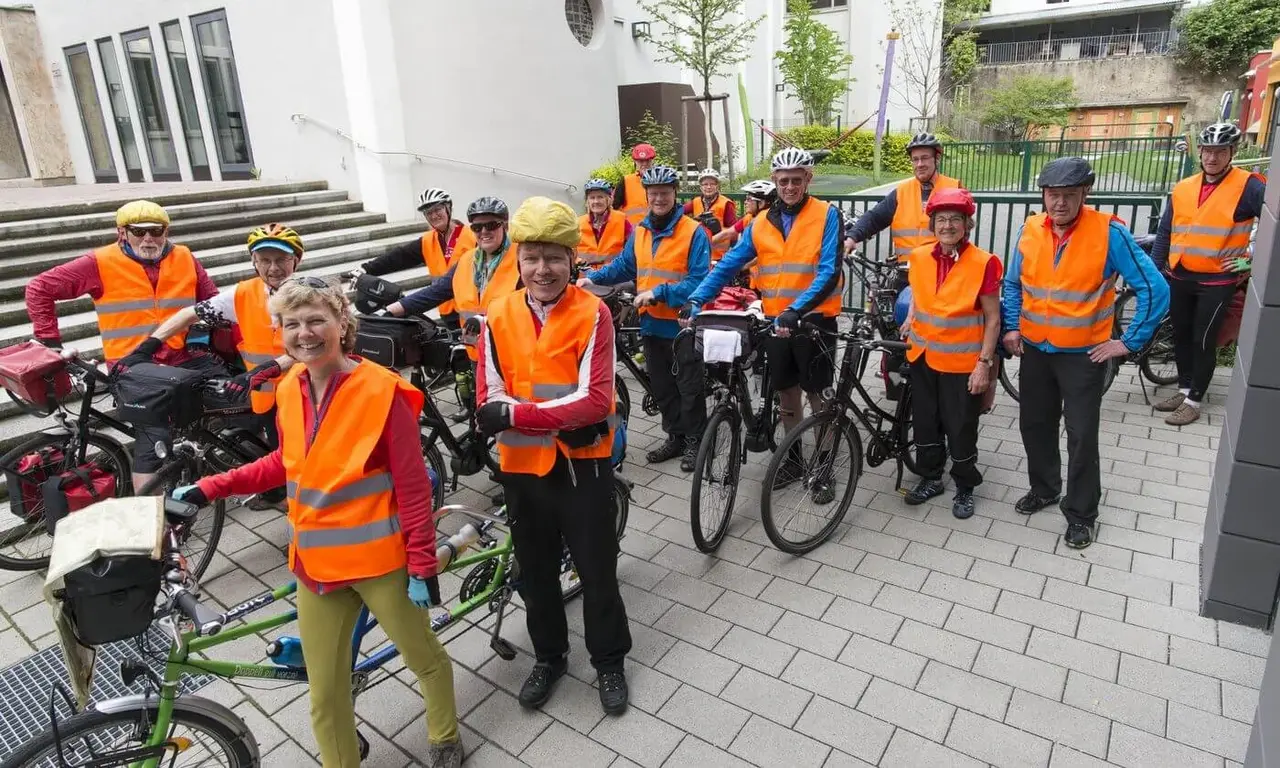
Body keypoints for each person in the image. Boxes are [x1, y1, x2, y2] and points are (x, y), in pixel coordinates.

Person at [172, 276, 463, 768]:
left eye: (316, 320)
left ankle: (444, 735)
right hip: (316, 564)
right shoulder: (289, 388)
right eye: (292, 324)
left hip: (381, 564)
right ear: (279, 332)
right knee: (325, 696)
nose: (304, 333)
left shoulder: (383, 392)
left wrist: (421, 566)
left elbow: (413, 487)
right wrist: (210, 487)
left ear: (341, 324)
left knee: (424, 659)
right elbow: (286, 461)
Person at [473, 196, 632, 715]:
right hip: (522, 469)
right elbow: (486, 396)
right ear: (518, 260)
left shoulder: (594, 314)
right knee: (535, 574)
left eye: (555, 257)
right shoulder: (497, 314)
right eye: (533, 257)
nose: (543, 269)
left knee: (597, 570)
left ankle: (608, 662)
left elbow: (594, 399)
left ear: (572, 261)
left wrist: (518, 415)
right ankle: (550, 657)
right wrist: (534, 414)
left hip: (583, 466)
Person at [1001, 157, 1169, 549]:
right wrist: (1011, 327)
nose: (1059, 204)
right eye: (1052, 195)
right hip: (1037, 353)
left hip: (1083, 356)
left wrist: (1127, 343)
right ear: (1043, 194)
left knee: (1080, 435)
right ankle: (1044, 488)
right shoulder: (1029, 229)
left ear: (1084, 194)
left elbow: (1155, 290)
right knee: (1035, 426)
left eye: (1069, 196)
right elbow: (1013, 284)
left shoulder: (1108, 233)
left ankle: (1080, 513)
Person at [24, 199, 225, 492]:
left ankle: (220, 468)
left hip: (180, 358)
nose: (148, 238)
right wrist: (50, 342)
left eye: (156, 231)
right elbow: (39, 288)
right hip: (133, 367)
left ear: (166, 231)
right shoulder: (100, 262)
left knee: (236, 394)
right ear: (122, 232)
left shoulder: (184, 257)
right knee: (152, 438)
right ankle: (154, 518)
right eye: (138, 231)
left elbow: (212, 302)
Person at [684, 148, 845, 503]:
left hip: (815, 320)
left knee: (817, 393)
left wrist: (798, 310)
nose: (789, 186)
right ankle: (793, 457)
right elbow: (728, 265)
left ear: (808, 180)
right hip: (776, 320)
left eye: (796, 180)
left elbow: (829, 271)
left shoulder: (827, 215)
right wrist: (698, 299)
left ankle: (823, 464)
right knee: (786, 391)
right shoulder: (760, 224)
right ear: (775, 182)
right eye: (783, 180)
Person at [580, 166, 711, 471]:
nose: (658, 198)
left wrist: (659, 293)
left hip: (681, 324)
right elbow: (625, 266)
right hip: (651, 324)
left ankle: (696, 441)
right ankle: (675, 436)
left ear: (674, 194)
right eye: (653, 193)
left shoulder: (693, 232)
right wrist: (594, 279)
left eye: (664, 192)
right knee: (663, 386)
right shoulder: (641, 230)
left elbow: (699, 281)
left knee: (689, 388)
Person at [1149, 122, 1264, 426]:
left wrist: (1251, 261)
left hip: (1217, 279)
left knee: (1203, 339)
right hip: (1181, 275)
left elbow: (1273, 222)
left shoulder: (1248, 185)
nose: (1212, 157)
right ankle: (1185, 389)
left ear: (1232, 152)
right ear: (1200, 151)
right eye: (1208, 150)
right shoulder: (1185, 187)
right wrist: (1158, 266)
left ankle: (1194, 400)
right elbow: (1166, 229)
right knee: (1182, 336)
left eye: (1220, 151)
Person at [900, 188, 1002, 519]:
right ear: (932, 223)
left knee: (960, 426)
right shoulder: (918, 257)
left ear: (967, 224)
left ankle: (964, 485)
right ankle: (931, 478)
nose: (947, 226)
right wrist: (909, 317)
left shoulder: (983, 263)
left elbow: (993, 318)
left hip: (962, 362)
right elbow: (919, 292)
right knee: (926, 423)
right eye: (941, 219)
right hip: (923, 355)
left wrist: (984, 365)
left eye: (955, 219)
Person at [385, 197, 520, 362]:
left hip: (511, 355)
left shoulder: (521, 259)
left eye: (491, 225)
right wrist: (390, 311)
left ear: (504, 226)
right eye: (477, 227)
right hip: (477, 354)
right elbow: (436, 292)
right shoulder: (467, 261)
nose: (484, 232)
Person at [356, 187, 476, 327]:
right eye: (428, 212)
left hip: (471, 311)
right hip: (447, 312)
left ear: (448, 208)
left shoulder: (472, 237)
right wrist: (366, 269)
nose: (434, 216)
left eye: (438, 210)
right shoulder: (428, 241)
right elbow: (399, 256)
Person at [845, 133, 961, 273]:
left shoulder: (954, 189)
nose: (919, 164)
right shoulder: (901, 192)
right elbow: (875, 218)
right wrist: (852, 237)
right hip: (905, 273)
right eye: (915, 159)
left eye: (924, 158)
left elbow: (963, 231)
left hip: (943, 271)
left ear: (936, 159)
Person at [713, 180, 777, 289]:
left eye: (749, 199)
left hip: (771, 279)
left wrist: (743, 266)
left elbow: (762, 252)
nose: (745, 202)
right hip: (756, 277)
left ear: (761, 203)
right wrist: (705, 242)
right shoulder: (750, 217)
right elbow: (729, 233)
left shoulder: (769, 221)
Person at [683, 169, 737, 263]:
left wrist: (718, 229)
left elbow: (734, 230)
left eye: (712, 184)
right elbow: (679, 212)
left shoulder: (726, 203)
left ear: (717, 186)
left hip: (719, 256)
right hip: (699, 253)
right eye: (705, 184)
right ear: (700, 187)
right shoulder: (695, 202)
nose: (708, 187)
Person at [578, 178, 633, 266]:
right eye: (592, 198)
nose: (596, 201)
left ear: (608, 200)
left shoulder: (621, 220)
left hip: (613, 276)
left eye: (600, 197)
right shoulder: (579, 223)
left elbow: (634, 247)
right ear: (587, 201)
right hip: (584, 276)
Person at [614, 143, 657, 225]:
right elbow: (614, 208)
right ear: (635, 161)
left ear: (652, 161)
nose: (644, 164)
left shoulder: (661, 182)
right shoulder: (626, 181)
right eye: (641, 161)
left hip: (655, 231)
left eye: (647, 160)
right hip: (632, 233)